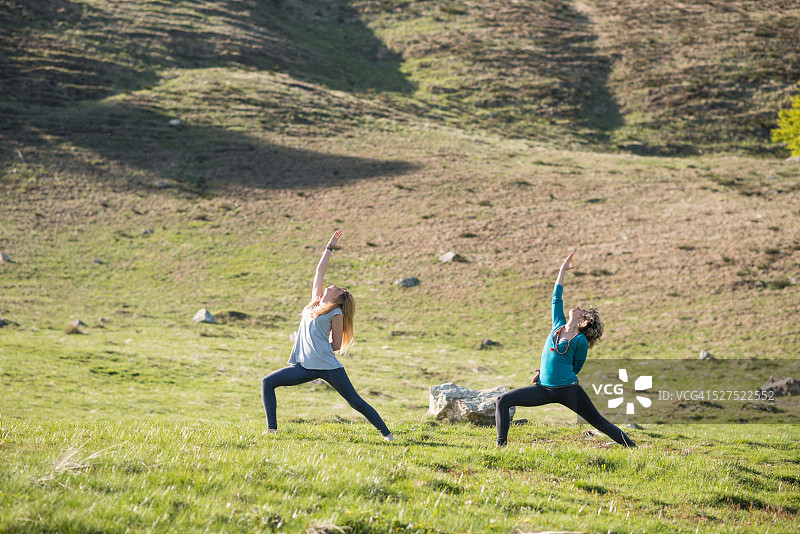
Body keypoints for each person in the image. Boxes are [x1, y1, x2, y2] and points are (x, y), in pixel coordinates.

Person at [260, 230, 394, 441]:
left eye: (338, 288)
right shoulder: (315, 301)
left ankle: (387, 434)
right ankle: (271, 429)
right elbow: (319, 271)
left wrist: (320, 347)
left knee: (355, 401)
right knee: (267, 382)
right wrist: (329, 246)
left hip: (329, 367)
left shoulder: (336, 313)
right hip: (304, 367)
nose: (333, 285)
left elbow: (337, 344)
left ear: (339, 298)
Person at [494, 252, 636, 448]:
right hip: (543, 389)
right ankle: (501, 446)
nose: (577, 307)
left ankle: (632, 447)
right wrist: (562, 271)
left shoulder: (580, 341)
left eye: (582, 311)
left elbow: (575, 368)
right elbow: (556, 297)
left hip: (568, 391)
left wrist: (558, 374)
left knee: (598, 422)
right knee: (502, 400)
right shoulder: (557, 325)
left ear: (584, 321)